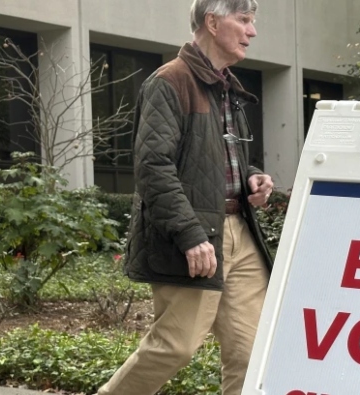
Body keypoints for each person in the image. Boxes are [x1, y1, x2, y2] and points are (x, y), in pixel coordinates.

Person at [95, 0, 274, 394]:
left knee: (253, 350)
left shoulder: (228, 87)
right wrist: (190, 234)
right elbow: (152, 166)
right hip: (194, 233)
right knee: (174, 346)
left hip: (239, 232)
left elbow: (217, 159)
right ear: (212, 22)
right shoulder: (169, 81)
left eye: (252, 21)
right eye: (243, 20)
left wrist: (252, 177)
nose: (252, 31)